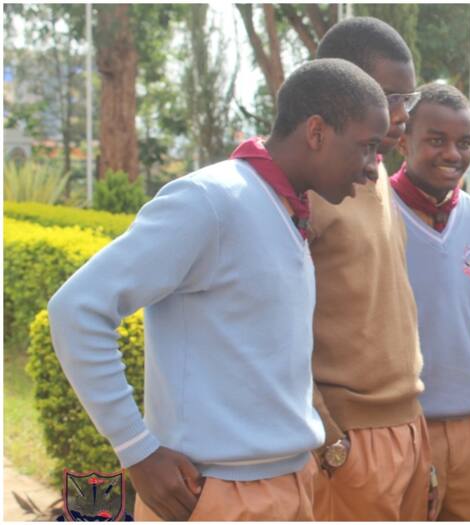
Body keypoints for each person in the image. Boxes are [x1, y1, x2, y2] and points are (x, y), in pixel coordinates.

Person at [47, 59, 389, 521]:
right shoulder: (210, 201)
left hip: (288, 484)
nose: (373, 170)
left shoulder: (287, 209)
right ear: (316, 132)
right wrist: (136, 450)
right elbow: (77, 309)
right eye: (367, 148)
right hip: (220, 495)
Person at [308, 17, 434, 521]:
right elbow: (261, 324)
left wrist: (412, 433)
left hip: (405, 430)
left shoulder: (375, 169)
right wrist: (327, 435)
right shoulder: (306, 183)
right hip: (345, 440)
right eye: (389, 96)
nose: (402, 114)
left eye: (409, 97)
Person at [390, 82, 470, 521]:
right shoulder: (377, 213)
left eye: (464, 142)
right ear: (403, 141)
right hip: (405, 427)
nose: (452, 154)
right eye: (436, 140)